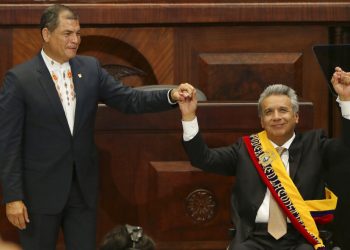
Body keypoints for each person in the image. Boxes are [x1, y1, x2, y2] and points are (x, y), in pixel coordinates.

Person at [0, 4, 194, 250]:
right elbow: (8, 143)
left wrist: (171, 95)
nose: (75, 40)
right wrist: (13, 197)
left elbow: (129, 99)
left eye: (78, 33)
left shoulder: (90, 69)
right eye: (67, 33)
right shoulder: (20, 79)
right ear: (46, 34)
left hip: (82, 190)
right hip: (39, 194)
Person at [178, 77, 350, 249]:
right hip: (254, 237)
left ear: (296, 116)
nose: (276, 117)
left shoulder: (315, 144)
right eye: (269, 112)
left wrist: (346, 100)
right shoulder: (245, 149)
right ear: (261, 121)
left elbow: (347, 148)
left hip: (301, 236)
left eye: (283, 110)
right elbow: (203, 158)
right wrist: (188, 115)